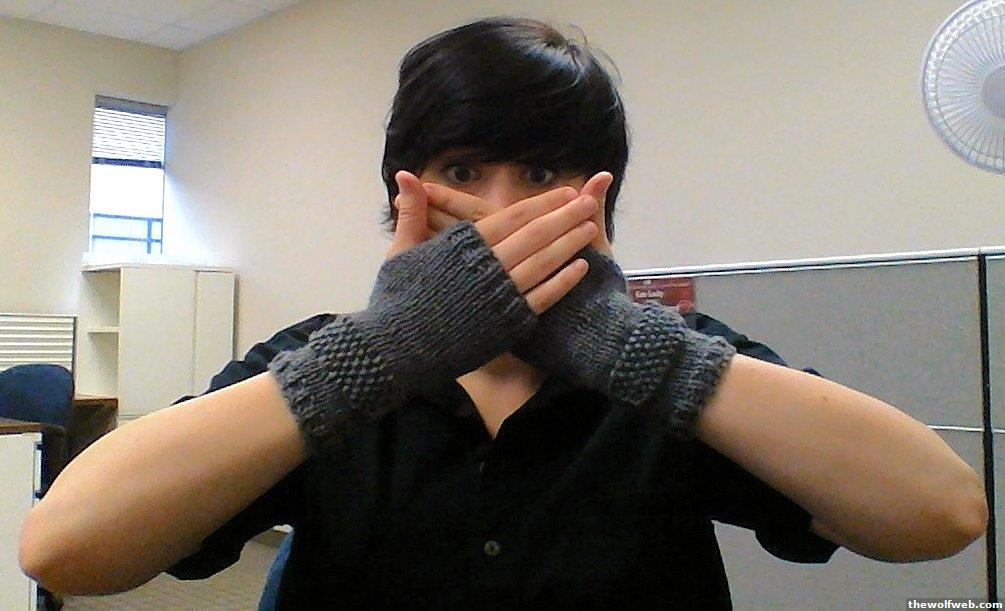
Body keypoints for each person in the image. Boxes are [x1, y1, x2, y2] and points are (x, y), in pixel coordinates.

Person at [19, 16, 987, 609]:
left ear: (597, 197)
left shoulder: (675, 364)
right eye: (461, 169)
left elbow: (940, 513)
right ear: (405, 189)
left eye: (541, 172)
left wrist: (631, 349)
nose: (500, 209)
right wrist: (380, 354)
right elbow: (65, 548)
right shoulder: (323, 362)